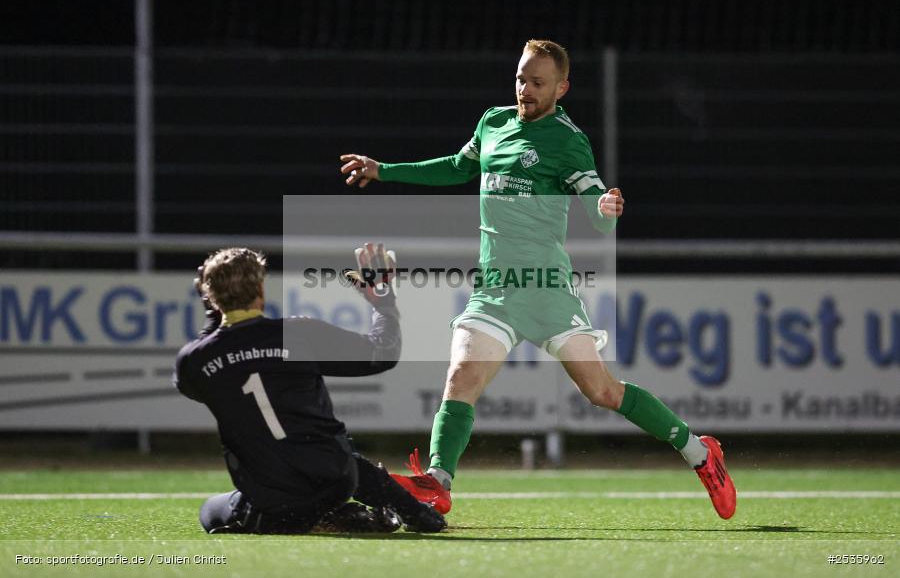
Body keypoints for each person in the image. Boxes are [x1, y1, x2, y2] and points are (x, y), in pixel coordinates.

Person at [338, 39, 736, 520]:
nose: (525, 89)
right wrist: (385, 170)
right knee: (461, 375)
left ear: (562, 88)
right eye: (521, 78)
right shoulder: (494, 122)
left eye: (538, 82)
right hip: (496, 289)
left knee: (602, 392)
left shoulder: (568, 140)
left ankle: (698, 451)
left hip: (546, 287)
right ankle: (438, 483)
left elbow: (597, 210)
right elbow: (456, 168)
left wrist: (607, 211)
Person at [174, 244, 446, 534]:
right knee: (331, 455)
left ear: (210, 296)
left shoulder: (195, 359)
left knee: (210, 512)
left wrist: (212, 317)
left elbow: (190, 385)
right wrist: (383, 303)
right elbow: (383, 353)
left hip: (270, 499)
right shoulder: (299, 334)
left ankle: (318, 518)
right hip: (334, 481)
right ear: (260, 291)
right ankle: (383, 512)